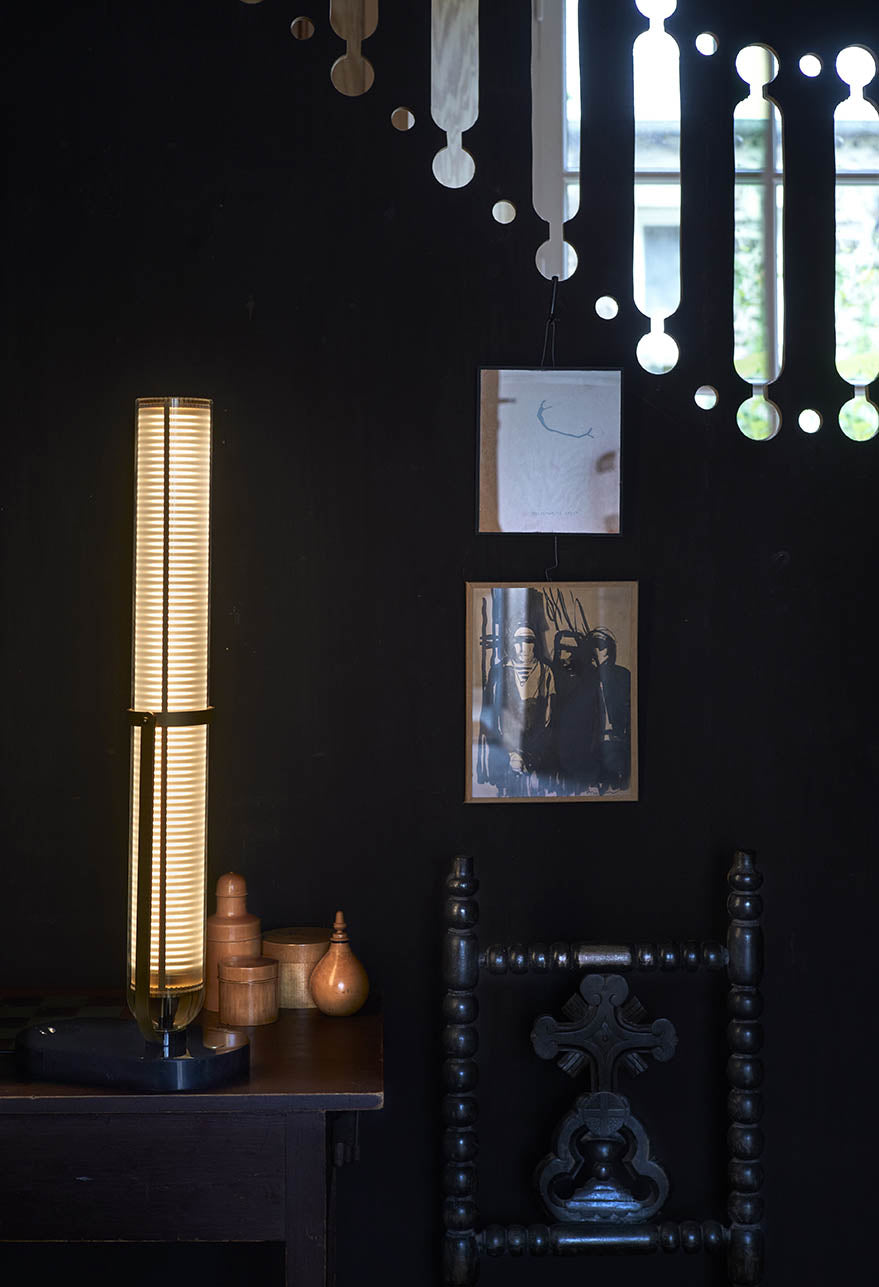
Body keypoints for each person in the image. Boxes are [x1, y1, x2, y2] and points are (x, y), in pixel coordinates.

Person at [479, 623, 556, 796]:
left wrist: (531, 750)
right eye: (518, 641)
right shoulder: (499, 671)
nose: (523, 648)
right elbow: (493, 713)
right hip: (506, 748)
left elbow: (548, 717)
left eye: (528, 641)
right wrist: (512, 751)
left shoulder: (546, 671)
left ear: (535, 644)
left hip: (536, 749)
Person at [551, 630, 600, 795]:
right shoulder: (551, 672)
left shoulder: (592, 675)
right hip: (556, 741)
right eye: (562, 647)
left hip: (583, 739)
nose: (566, 653)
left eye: (571, 649)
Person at [588, 628, 631, 793]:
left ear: (610, 649)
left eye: (601, 646)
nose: (596, 651)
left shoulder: (622, 675)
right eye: (592, 646)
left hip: (618, 741)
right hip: (593, 744)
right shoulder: (584, 678)